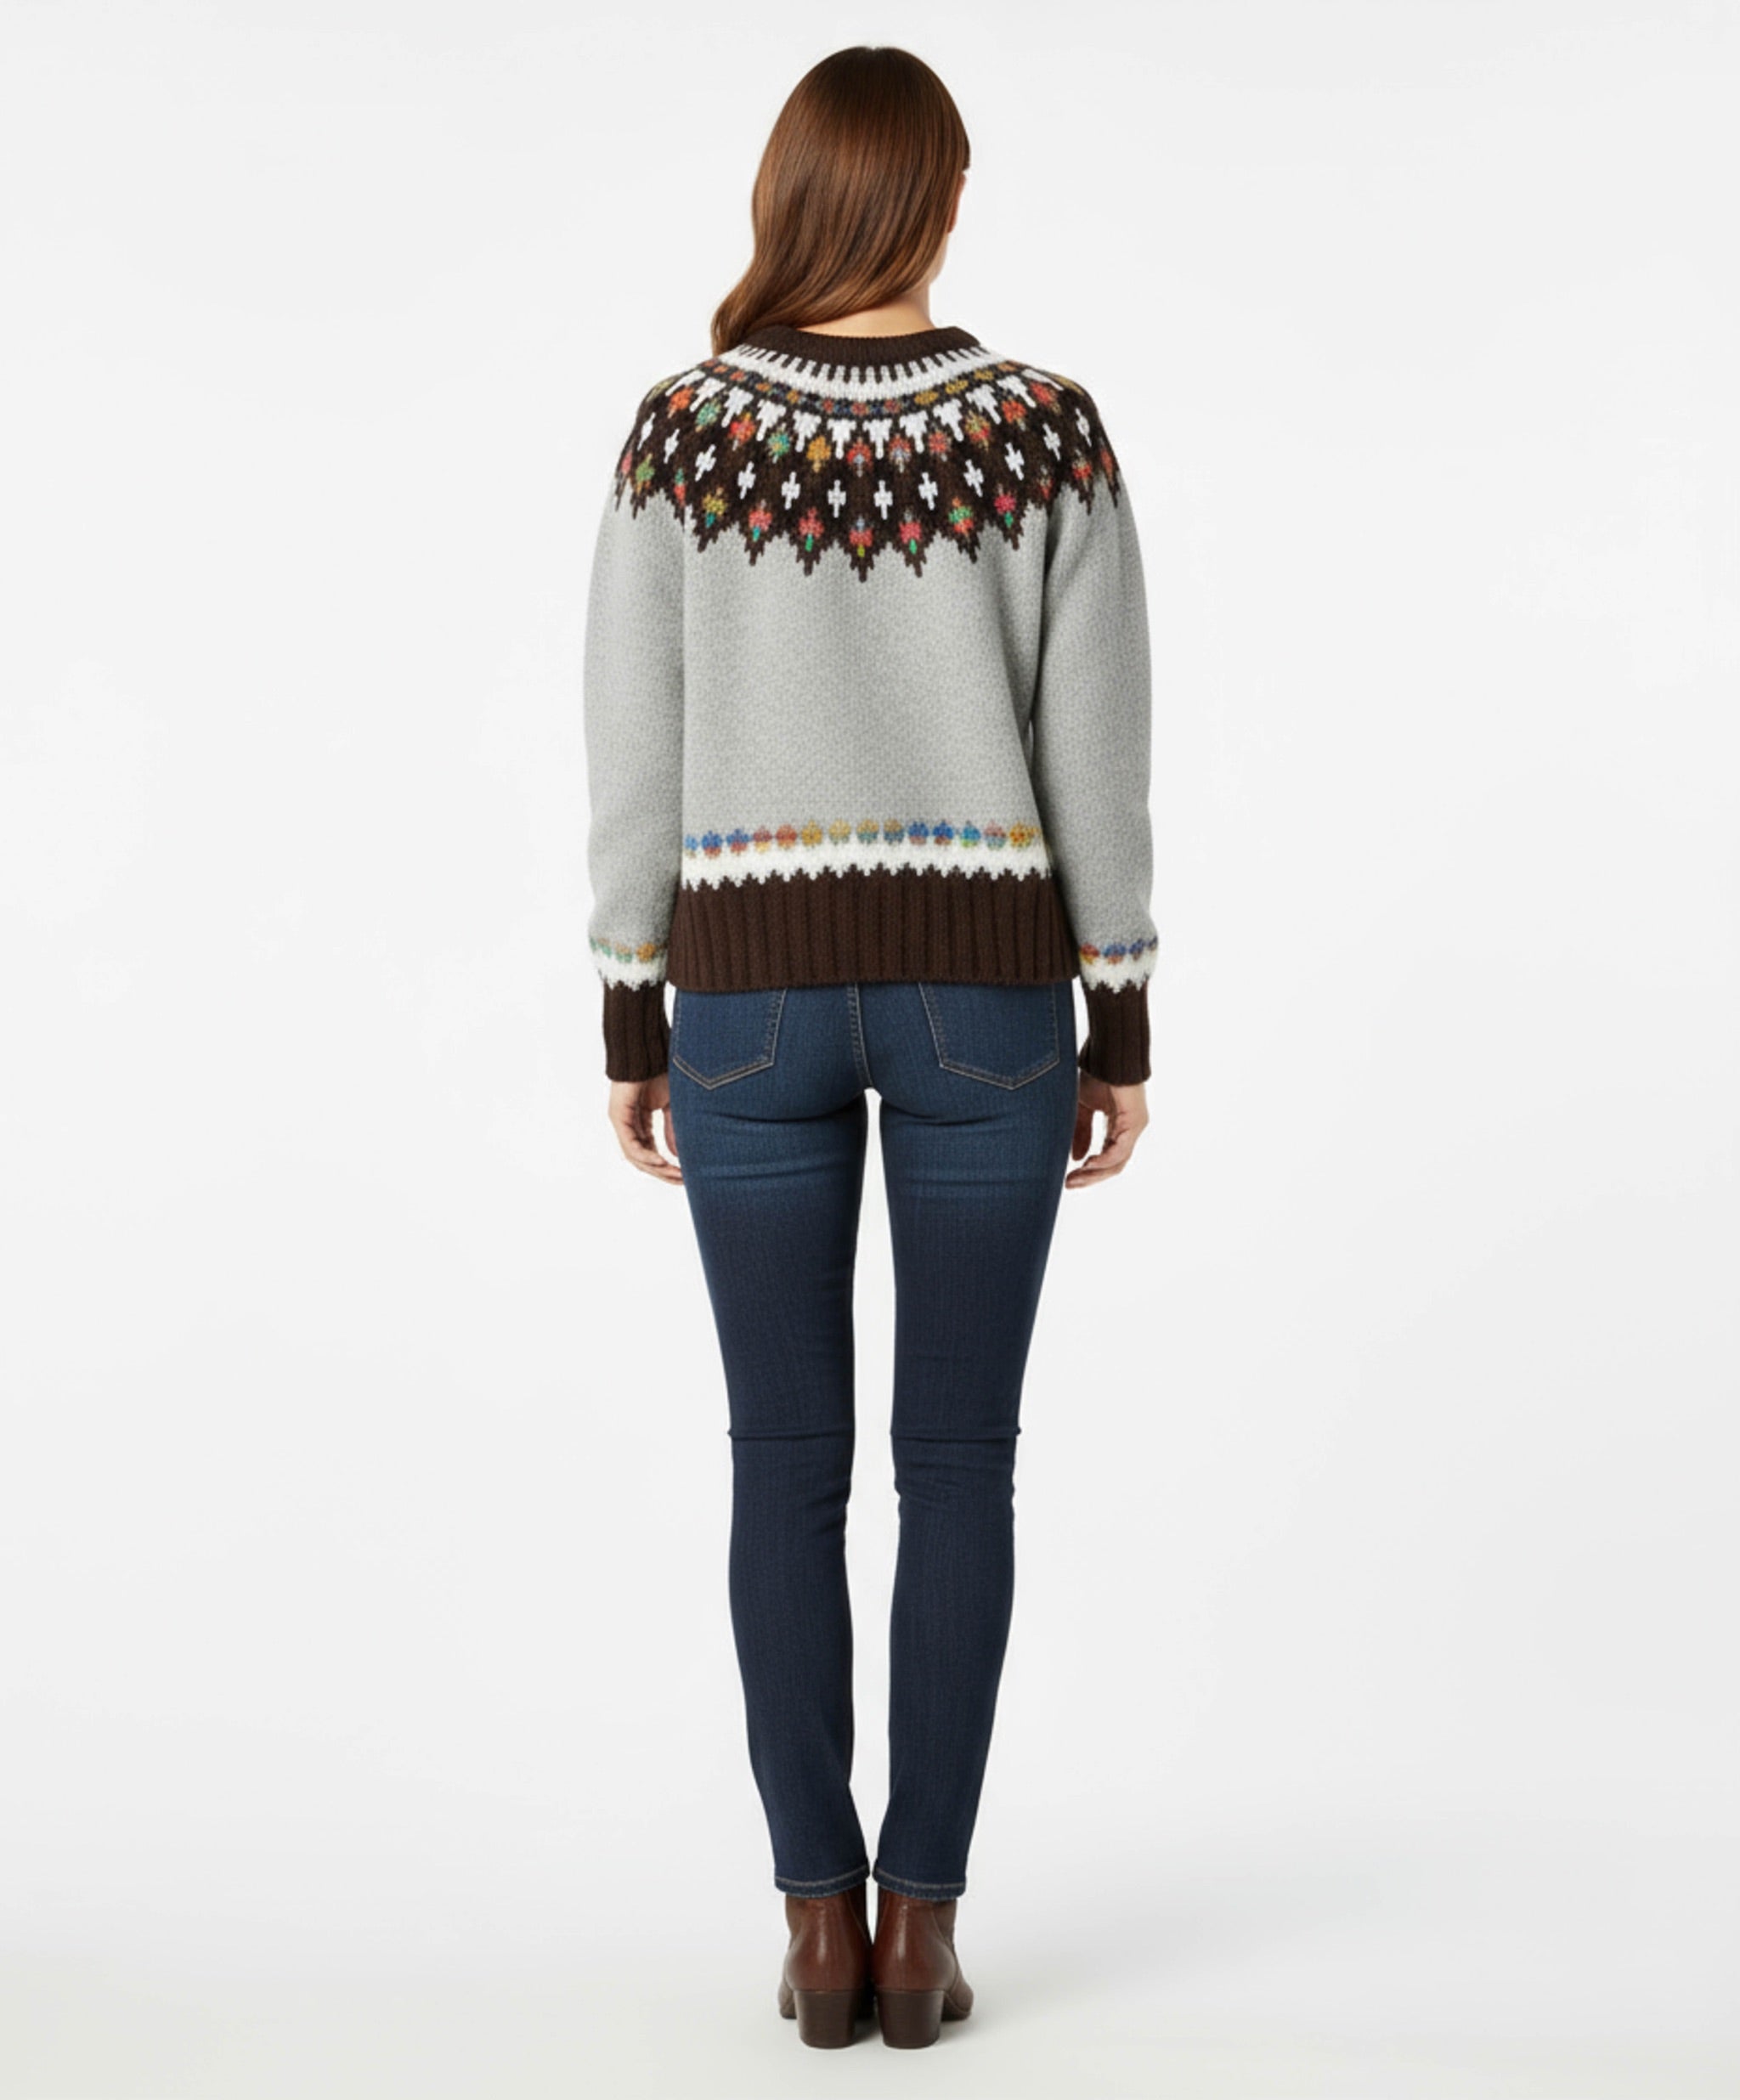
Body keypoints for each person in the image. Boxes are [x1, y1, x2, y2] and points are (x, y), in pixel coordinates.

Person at [582, 43, 1155, 2050]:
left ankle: (814, 1935)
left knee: (782, 1467)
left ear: (792, 194)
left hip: (742, 1002)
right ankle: (921, 1932)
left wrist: (631, 999)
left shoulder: (683, 435)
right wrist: (1118, 1005)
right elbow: (1099, 747)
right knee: (959, 1465)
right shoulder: (1043, 433)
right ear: (942, 199)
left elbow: (632, 741)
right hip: (987, 1002)